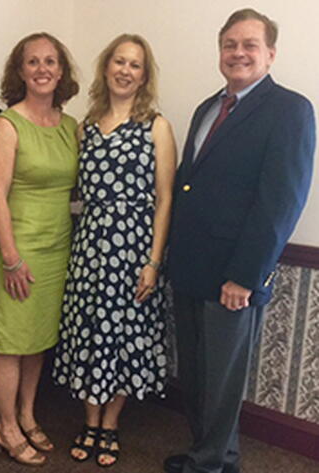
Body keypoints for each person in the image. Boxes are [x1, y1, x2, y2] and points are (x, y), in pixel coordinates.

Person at [165, 8, 316, 473]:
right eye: (230, 44)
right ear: (219, 52)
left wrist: (244, 276)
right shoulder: (207, 107)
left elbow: (280, 203)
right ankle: (211, 453)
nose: (238, 53)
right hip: (190, 267)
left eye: (250, 45)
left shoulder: (290, 109)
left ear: (270, 54)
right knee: (195, 375)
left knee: (223, 379)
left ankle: (211, 464)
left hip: (234, 275)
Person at [52, 34, 177, 467]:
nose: (125, 70)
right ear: (106, 68)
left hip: (136, 247)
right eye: (119, 61)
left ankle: (111, 423)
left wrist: (153, 262)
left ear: (144, 75)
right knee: (89, 331)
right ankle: (90, 420)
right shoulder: (83, 127)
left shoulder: (157, 126)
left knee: (127, 334)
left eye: (135, 65)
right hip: (89, 245)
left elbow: (165, 200)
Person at [0, 32, 79, 466]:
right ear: (19, 71)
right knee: (10, 341)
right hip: (16, 247)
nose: (43, 69)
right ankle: (5, 426)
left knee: (38, 338)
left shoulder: (71, 126)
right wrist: (11, 258)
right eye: (33, 62)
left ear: (62, 71)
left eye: (51, 61)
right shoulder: (7, 124)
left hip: (59, 246)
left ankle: (26, 413)